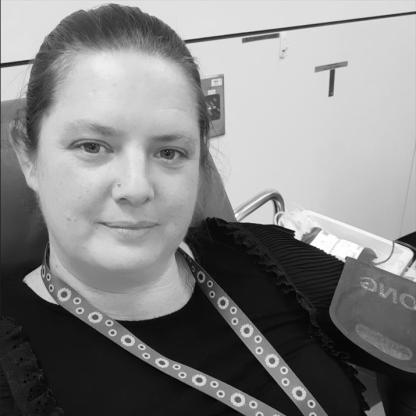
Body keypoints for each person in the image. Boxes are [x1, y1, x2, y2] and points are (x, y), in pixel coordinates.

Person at [0, 4, 414, 416]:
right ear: (28, 156)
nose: (137, 187)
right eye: (93, 146)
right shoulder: (13, 367)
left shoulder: (268, 256)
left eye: (169, 151)